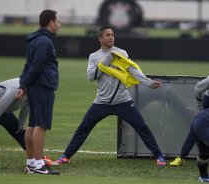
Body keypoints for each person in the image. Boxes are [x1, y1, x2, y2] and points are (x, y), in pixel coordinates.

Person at [52, 26, 166, 166]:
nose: (111, 37)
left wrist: (148, 82)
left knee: (142, 127)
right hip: (101, 102)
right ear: (100, 38)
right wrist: (106, 60)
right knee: (83, 129)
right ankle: (66, 156)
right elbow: (91, 77)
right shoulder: (94, 56)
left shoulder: (122, 53)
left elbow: (133, 70)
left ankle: (159, 156)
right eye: (107, 35)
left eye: (112, 35)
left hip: (123, 101)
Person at [16, 9, 61, 175]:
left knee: (33, 125)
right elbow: (36, 67)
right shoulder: (44, 42)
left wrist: (23, 85)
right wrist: (25, 84)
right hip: (43, 86)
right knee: (40, 126)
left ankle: (31, 164)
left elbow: (28, 66)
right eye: (58, 21)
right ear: (51, 22)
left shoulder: (34, 39)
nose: (60, 25)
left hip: (35, 86)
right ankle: (39, 165)